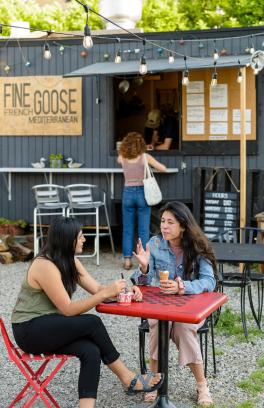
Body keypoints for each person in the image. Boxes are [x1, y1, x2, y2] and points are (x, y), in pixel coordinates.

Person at [11, 217, 164, 408]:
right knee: (92, 322)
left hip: (49, 325)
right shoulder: (45, 265)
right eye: (81, 236)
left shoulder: (70, 261)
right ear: (68, 239)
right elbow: (68, 310)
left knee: (90, 351)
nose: (84, 240)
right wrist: (105, 294)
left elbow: (98, 289)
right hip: (29, 330)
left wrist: (125, 293)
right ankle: (127, 377)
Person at [131, 201, 217, 406]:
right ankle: (153, 379)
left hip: (190, 308)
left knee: (183, 327)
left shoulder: (198, 246)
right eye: (162, 221)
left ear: (183, 226)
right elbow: (140, 282)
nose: (164, 226)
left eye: (170, 222)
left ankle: (202, 385)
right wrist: (143, 269)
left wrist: (183, 287)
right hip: (161, 306)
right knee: (158, 324)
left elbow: (209, 281)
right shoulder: (155, 244)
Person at [117, 132, 167, 270]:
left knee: (127, 229)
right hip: (142, 194)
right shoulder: (145, 157)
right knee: (143, 229)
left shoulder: (122, 157)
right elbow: (163, 168)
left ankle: (127, 260)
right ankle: (143, 260)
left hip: (127, 194)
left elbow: (120, 158)